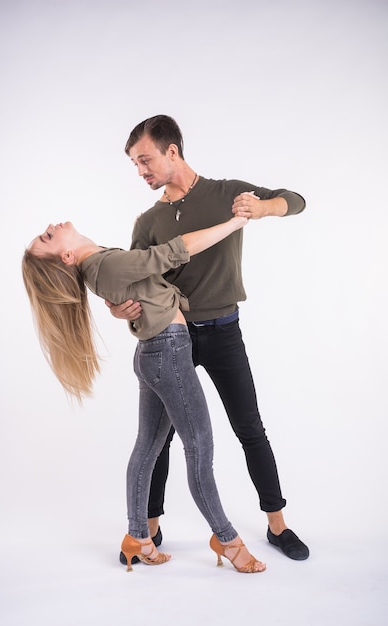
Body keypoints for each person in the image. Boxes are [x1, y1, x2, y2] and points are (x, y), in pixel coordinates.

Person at [108, 114, 310, 562]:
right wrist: (118, 308)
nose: (141, 172)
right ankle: (149, 530)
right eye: (135, 165)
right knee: (157, 438)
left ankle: (278, 525)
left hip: (223, 332)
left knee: (249, 428)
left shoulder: (225, 192)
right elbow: (134, 280)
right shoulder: (149, 221)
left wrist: (264, 208)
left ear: (172, 151)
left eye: (145, 161)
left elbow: (294, 200)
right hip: (168, 337)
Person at [22, 218, 267, 574]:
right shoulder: (105, 265)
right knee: (199, 448)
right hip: (167, 354)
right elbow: (174, 252)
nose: (49, 226)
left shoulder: (100, 264)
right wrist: (236, 223)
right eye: (47, 237)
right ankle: (227, 540)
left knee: (148, 448)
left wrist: (120, 304)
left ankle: (138, 538)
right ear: (67, 256)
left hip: (156, 354)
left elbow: (137, 282)